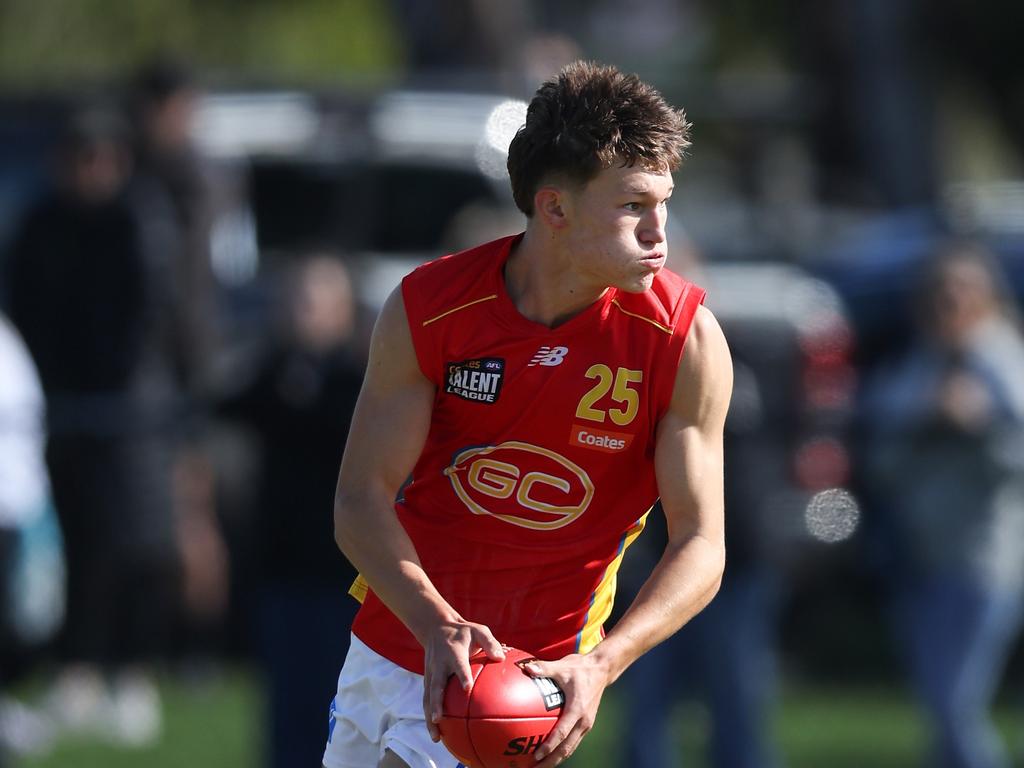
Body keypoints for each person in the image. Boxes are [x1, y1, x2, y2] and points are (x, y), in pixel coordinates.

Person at [325, 61, 733, 768]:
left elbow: (702, 544)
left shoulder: (684, 340)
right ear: (554, 209)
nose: (658, 230)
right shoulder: (431, 308)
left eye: (663, 202)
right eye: (633, 205)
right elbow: (359, 500)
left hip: (524, 683)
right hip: (393, 647)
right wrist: (436, 625)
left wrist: (604, 664)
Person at [862, 241, 1024, 768]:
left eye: (961, 290)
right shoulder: (917, 365)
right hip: (919, 558)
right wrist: (926, 419)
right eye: (938, 292)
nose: (948, 302)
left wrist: (979, 428)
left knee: (953, 704)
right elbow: (880, 461)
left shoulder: (1004, 360)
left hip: (985, 562)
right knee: (941, 708)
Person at [217, 254, 364, 768]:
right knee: (286, 704)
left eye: (312, 302)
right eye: (292, 301)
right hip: (281, 569)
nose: (299, 314)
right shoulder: (271, 373)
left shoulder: (362, 379)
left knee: (342, 702)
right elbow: (223, 403)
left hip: (344, 574)